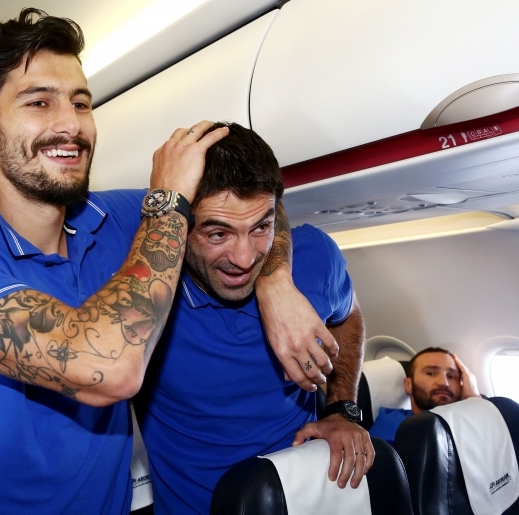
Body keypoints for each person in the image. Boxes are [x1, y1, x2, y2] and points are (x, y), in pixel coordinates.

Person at [0, 9, 336, 515]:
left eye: (80, 102)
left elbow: (255, 199)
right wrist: (167, 203)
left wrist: (275, 284)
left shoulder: (116, 222)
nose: (70, 124)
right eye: (39, 102)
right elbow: (107, 368)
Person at [135, 122, 372, 514]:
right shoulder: (145, 289)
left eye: (261, 226)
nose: (245, 259)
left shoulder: (315, 256)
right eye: (218, 234)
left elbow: (348, 316)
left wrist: (340, 408)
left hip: (302, 502)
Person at [369, 347, 481, 446]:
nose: (444, 383)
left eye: (451, 376)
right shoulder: (394, 424)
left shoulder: (469, 420)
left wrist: (474, 399)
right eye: (430, 373)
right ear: (408, 385)